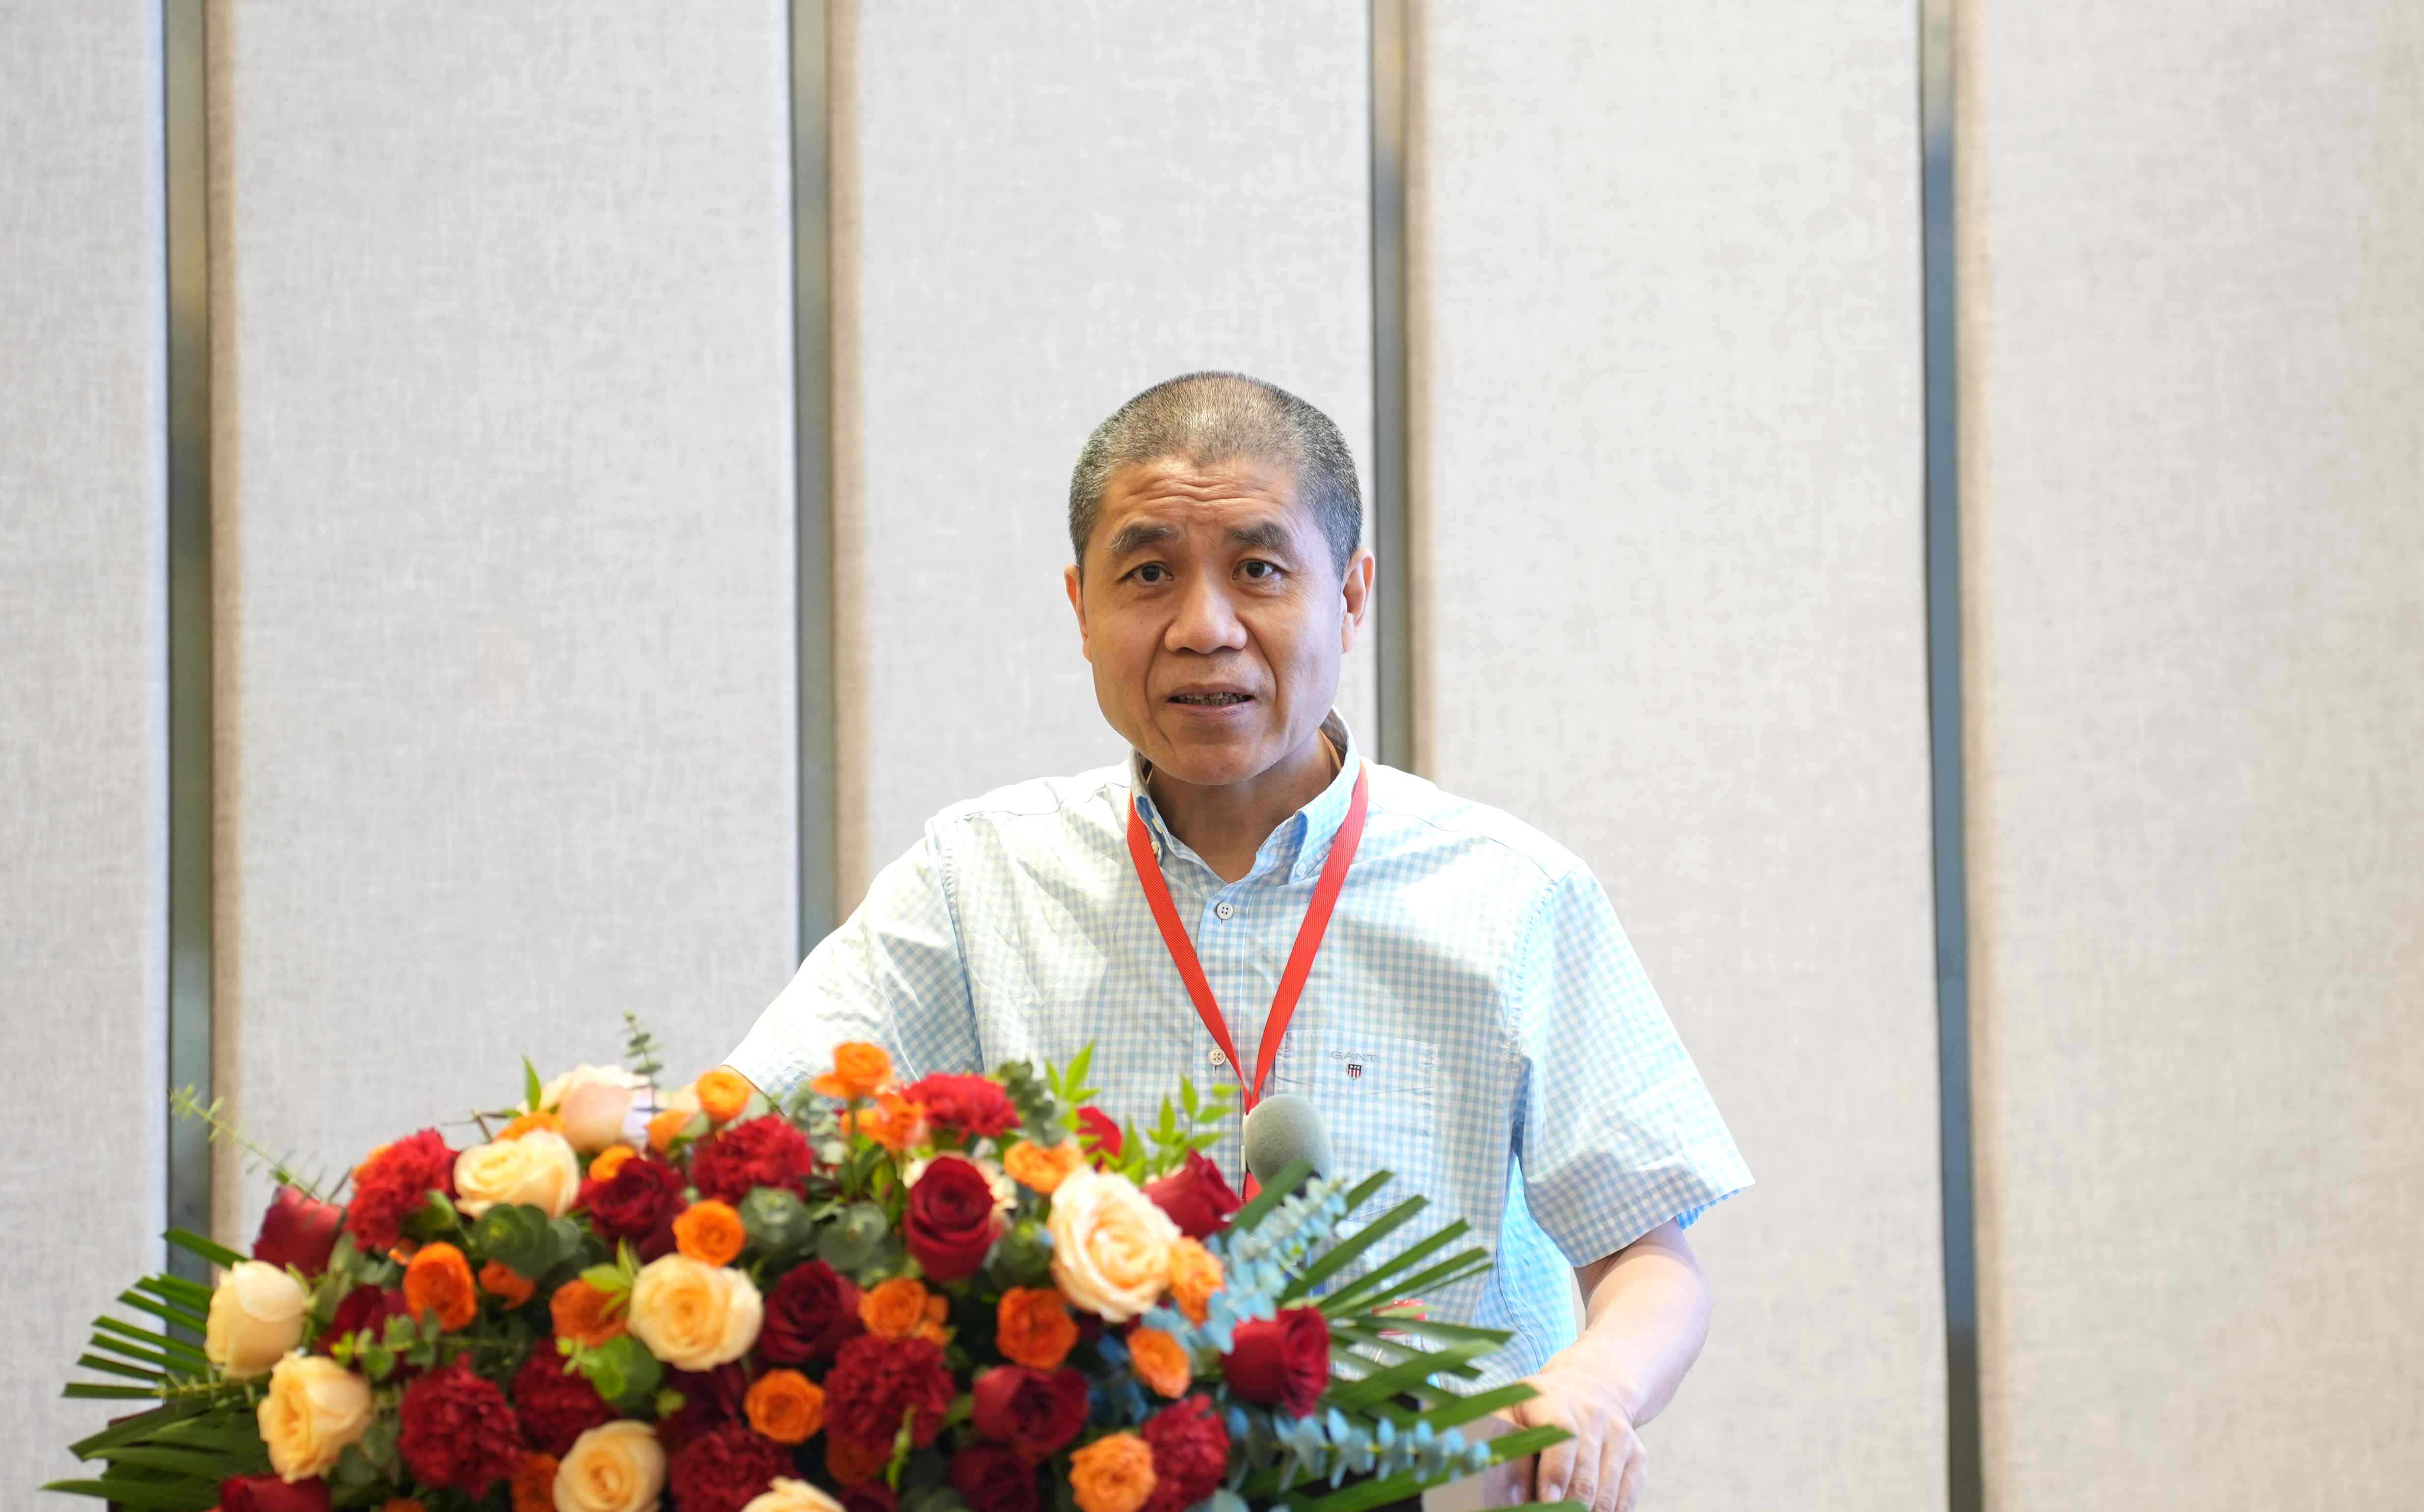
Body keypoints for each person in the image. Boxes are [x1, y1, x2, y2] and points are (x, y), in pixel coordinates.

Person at [723, 371, 1752, 1512]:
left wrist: (1592, 1383)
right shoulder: (978, 877)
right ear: (1079, 605)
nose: (1204, 626)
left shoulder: (1511, 892)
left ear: (1350, 596)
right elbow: (742, 1140)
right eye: (1148, 573)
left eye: (1259, 569)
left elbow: (1650, 1260)